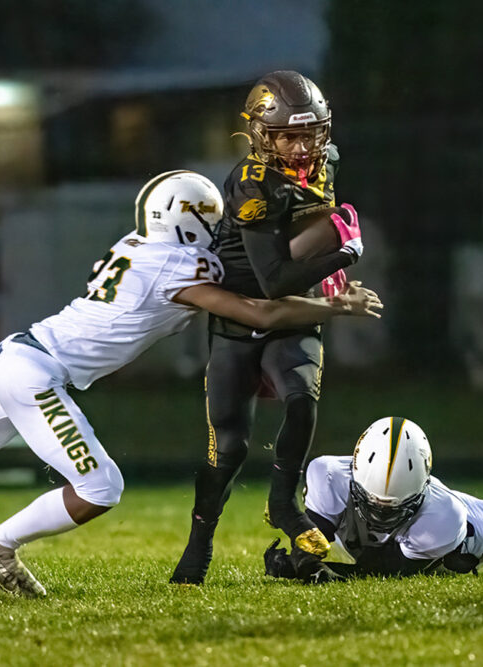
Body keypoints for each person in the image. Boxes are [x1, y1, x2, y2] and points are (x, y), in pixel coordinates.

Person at [0, 170, 382, 597]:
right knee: (101, 487)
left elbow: (242, 282)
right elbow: (257, 309)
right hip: (38, 372)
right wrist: (335, 307)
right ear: (190, 223)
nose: (221, 232)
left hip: (17, 355)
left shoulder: (136, 247)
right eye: (213, 223)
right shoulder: (179, 266)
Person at [172, 71, 364, 585]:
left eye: (309, 134)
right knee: (227, 449)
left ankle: (284, 505)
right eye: (287, 136)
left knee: (302, 399)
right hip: (239, 313)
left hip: (292, 316)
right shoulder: (252, 181)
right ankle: (198, 547)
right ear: (262, 134)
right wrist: (345, 249)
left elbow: (300, 250)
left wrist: (328, 241)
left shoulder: (328, 162)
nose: (301, 147)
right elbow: (272, 280)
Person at [263, 417, 483, 580]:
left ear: (418, 492)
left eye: (392, 506)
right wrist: (300, 559)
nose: (380, 512)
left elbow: (381, 571)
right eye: (373, 501)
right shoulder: (329, 475)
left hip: (474, 531)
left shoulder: (443, 517)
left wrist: (315, 573)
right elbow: (313, 540)